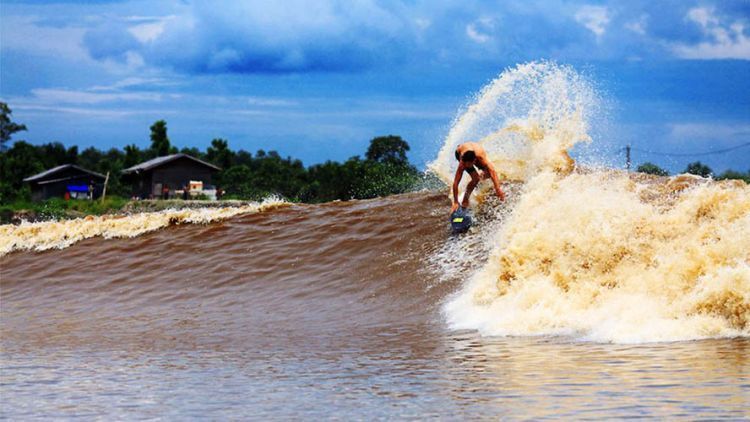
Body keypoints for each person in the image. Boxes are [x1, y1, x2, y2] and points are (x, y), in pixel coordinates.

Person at [451, 142, 505, 213]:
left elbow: (493, 172)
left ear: (474, 161)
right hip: (460, 151)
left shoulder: (481, 158)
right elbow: (455, 183)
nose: (467, 166)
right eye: (466, 165)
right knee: (475, 178)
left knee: (488, 174)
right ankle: (465, 199)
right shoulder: (463, 163)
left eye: (469, 165)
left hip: (475, 151)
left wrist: (498, 189)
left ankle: (476, 182)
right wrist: (455, 202)